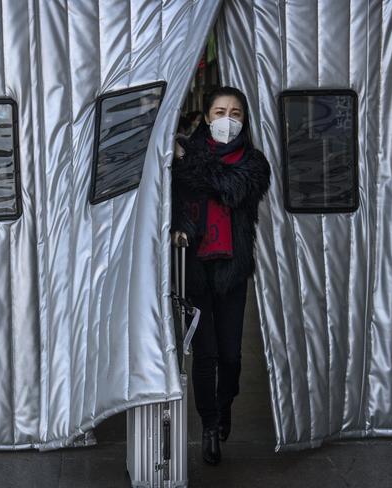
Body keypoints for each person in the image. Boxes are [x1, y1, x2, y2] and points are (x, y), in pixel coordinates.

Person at [171, 86, 271, 465]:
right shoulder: (184, 157)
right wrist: (178, 226)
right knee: (206, 354)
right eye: (219, 112)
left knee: (231, 356)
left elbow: (232, 188)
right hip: (196, 269)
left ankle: (226, 401)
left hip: (232, 271)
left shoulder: (254, 163)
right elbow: (177, 200)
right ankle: (210, 426)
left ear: (244, 121)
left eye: (235, 114)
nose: (227, 120)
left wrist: (189, 163)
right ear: (207, 116)